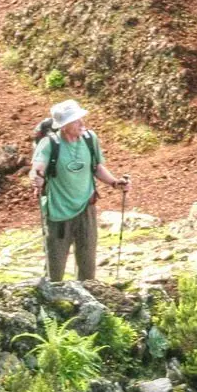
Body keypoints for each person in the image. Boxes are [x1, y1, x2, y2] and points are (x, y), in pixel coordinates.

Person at [31, 99, 129, 281]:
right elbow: (38, 167)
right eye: (76, 120)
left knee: (87, 262)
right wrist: (36, 177)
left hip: (86, 208)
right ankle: (54, 300)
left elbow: (97, 167)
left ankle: (87, 298)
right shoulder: (49, 144)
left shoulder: (90, 139)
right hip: (57, 213)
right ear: (65, 126)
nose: (82, 124)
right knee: (55, 266)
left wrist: (115, 183)